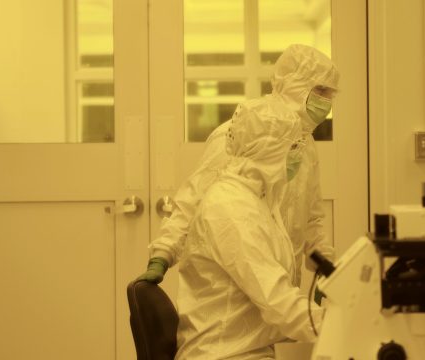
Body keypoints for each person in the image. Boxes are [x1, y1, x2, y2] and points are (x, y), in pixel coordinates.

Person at [137, 44, 339, 289]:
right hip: (230, 288)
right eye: (320, 90)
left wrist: (326, 266)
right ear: (294, 85)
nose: (326, 101)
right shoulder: (244, 134)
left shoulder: (306, 145)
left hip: (281, 284)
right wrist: (163, 253)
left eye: (330, 94)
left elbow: (311, 219)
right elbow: (194, 201)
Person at [175, 95, 320, 359]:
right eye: (294, 147)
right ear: (268, 149)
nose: (298, 157)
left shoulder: (254, 200)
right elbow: (279, 304)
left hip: (245, 348)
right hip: (224, 353)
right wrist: (342, 324)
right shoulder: (231, 210)